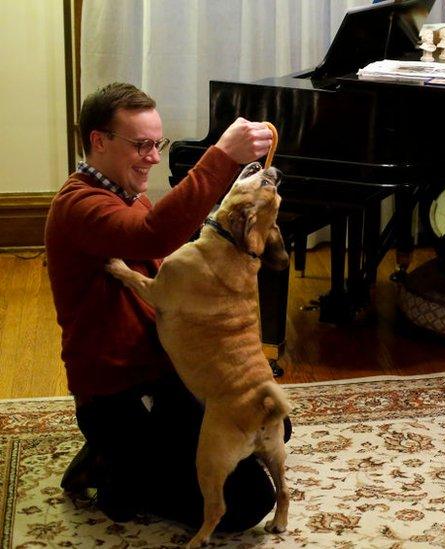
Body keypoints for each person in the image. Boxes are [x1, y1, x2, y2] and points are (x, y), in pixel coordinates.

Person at [45, 82, 283, 529]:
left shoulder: (126, 193)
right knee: (245, 506)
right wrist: (222, 157)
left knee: (268, 423)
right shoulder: (78, 205)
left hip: (163, 369)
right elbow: (152, 234)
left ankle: (125, 458)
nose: (153, 157)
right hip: (117, 391)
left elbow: (165, 258)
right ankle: (115, 474)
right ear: (99, 141)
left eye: (158, 144)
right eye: (141, 145)